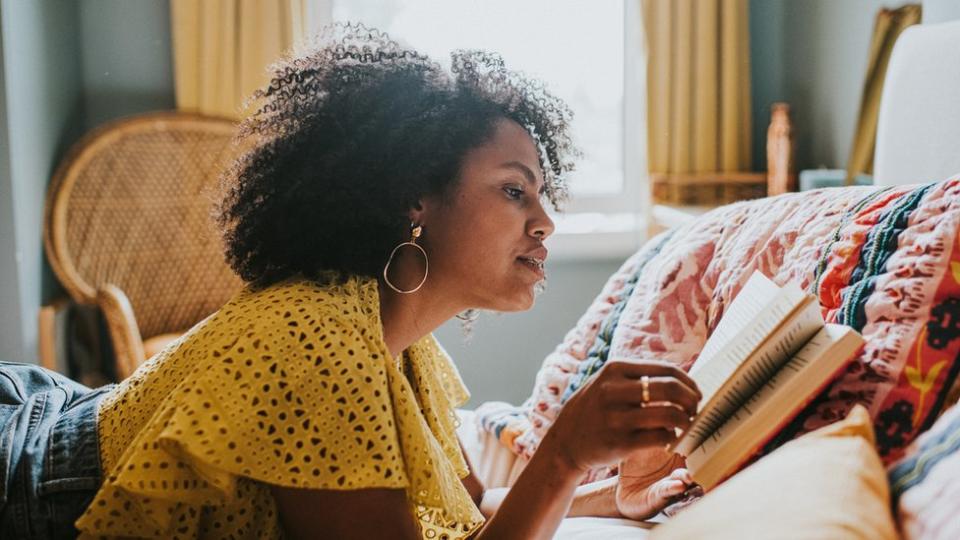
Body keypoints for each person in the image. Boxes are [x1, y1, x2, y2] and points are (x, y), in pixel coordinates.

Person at [0, 24, 700, 539]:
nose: (545, 220)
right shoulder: (317, 345)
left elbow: (471, 514)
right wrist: (563, 451)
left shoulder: (398, 340)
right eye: (515, 192)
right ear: (413, 199)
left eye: (543, 193)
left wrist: (594, 492)